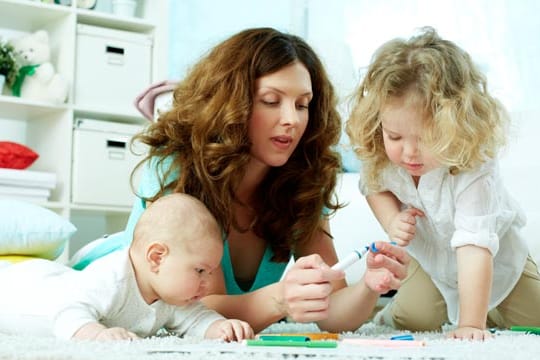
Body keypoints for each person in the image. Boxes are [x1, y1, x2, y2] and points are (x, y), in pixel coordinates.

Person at [76, 27, 410, 333]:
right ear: (230, 102)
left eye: (303, 105)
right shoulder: (176, 167)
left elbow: (331, 312)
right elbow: (185, 308)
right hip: (103, 290)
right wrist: (280, 299)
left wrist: (369, 285)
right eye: (271, 101)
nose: (292, 120)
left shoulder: (302, 184)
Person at [346, 27, 540, 340]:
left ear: (458, 126)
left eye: (427, 138)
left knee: (535, 316)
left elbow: (474, 247)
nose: (408, 152)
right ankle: (390, 313)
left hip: (494, 259)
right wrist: (391, 218)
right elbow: (373, 184)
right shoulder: (383, 154)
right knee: (414, 317)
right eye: (395, 136)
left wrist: (471, 325)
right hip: (431, 260)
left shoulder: (473, 166)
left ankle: (480, 312)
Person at [0, 193, 253, 341]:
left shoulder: (170, 295)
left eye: (209, 272)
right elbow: (67, 312)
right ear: (157, 258)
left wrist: (220, 327)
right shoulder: (112, 276)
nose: (207, 282)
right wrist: (97, 335)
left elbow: (196, 318)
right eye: (199, 270)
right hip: (21, 291)